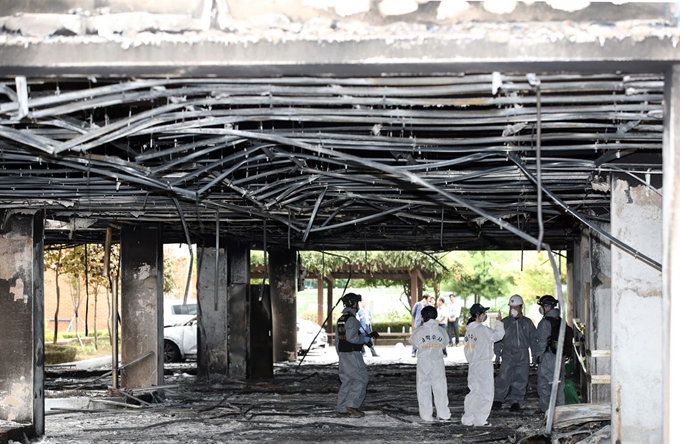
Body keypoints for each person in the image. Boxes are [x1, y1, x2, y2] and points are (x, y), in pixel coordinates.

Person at [461, 303, 505, 427]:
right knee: (486, 392)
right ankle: (480, 420)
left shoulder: (469, 331)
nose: (485, 315)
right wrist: (499, 323)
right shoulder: (482, 330)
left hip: (473, 365)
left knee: (474, 392)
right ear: (478, 315)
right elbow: (498, 335)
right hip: (484, 363)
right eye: (483, 313)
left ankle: (468, 418)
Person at [336, 293, 378, 418]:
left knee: (347, 381)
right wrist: (364, 339)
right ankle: (352, 405)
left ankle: (341, 408)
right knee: (361, 379)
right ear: (354, 304)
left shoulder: (341, 319)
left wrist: (341, 354)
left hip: (344, 354)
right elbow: (352, 338)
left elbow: (338, 340)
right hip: (352, 354)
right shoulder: (352, 320)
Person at [492, 294, 537, 412]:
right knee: (503, 377)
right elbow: (498, 338)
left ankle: (516, 401)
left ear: (521, 307)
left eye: (516, 307)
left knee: (521, 377)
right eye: (511, 307)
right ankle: (498, 399)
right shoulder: (505, 322)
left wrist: (534, 355)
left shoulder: (527, 323)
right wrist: (497, 353)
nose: (513, 309)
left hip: (523, 353)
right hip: (507, 353)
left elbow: (533, 339)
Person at [409, 305, 451, 422]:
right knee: (440, 387)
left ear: (423, 317)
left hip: (424, 362)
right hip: (438, 361)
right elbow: (445, 343)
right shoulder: (441, 331)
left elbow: (414, 343)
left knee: (423, 387)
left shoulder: (419, 331)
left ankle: (426, 415)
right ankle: (443, 414)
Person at [535, 295, 565, 413]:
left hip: (548, 358)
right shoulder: (561, 321)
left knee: (544, 386)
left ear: (547, 307)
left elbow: (542, 342)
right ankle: (560, 412)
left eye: (542, 306)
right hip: (560, 357)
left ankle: (547, 413)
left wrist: (538, 356)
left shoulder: (545, 323)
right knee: (559, 385)